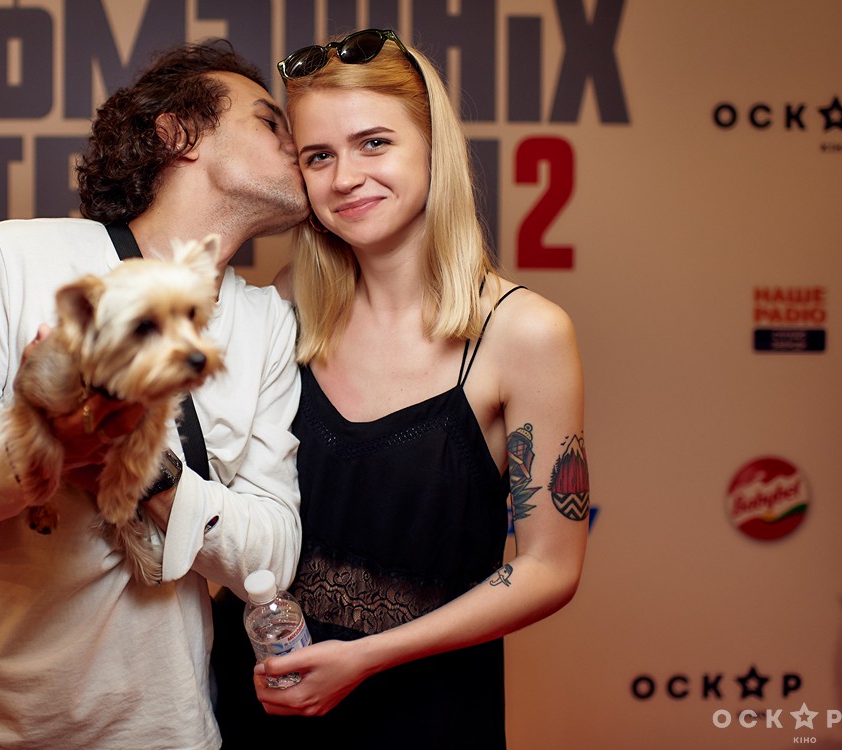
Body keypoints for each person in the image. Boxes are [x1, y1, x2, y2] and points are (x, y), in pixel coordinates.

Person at [0, 40, 310, 750]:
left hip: (165, 735)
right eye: (269, 120)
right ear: (178, 132)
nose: (298, 141)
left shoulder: (267, 324)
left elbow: (273, 555)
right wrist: (40, 450)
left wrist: (140, 468)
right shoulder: (18, 256)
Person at [215, 29, 590, 748]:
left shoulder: (525, 333)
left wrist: (365, 658)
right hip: (258, 702)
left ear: (433, 146)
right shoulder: (288, 302)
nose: (345, 178)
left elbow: (550, 567)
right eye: (318, 156)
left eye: (374, 143)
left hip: (425, 715)